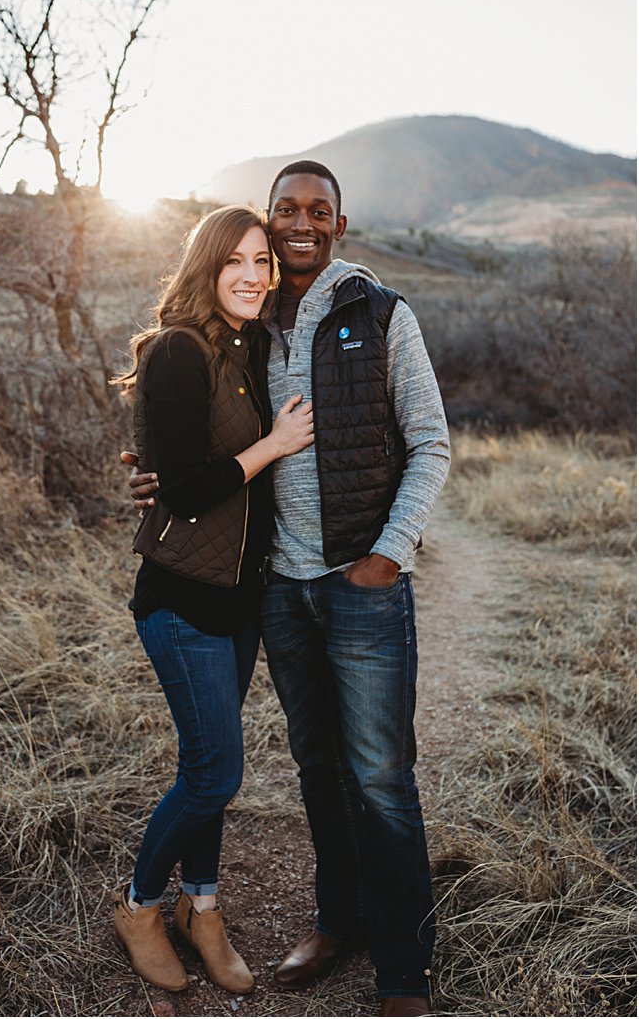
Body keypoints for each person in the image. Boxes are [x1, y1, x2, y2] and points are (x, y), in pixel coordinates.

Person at [124, 161, 449, 1017]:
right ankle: (339, 923)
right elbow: (198, 429)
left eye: (317, 212)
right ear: (264, 231)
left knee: (381, 775)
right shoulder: (249, 323)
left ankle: (405, 969)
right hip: (276, 590)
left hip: (362, 583)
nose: (297, 227)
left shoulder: (380, 313)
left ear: (339, 224)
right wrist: (155, 472)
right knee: (316, 771)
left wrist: (386, 552)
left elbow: (432, 444)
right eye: (284, 215)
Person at [108, 205, 314, 995]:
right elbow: (190, 489)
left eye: (263, 260)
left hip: (239, 602)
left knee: (210, 765)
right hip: (181, 600)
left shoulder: (252, 348)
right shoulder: (178, 349)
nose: (254, 274)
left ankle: (205, 910)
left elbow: (174, 462)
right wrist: (274, 444)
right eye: (236, 260)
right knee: (214, 773)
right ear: (206, 265)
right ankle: (138, 906)